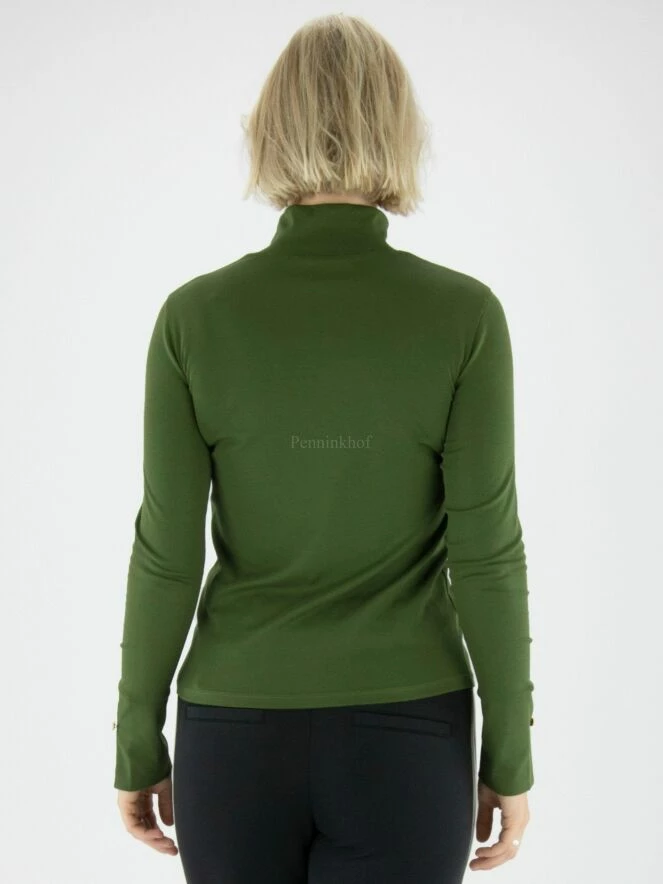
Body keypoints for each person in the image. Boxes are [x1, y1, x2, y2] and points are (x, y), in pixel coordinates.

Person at [114, 12, 534, 883]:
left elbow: (166, 553)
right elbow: (486, 554)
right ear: (400, 131)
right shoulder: (462, 316)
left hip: (233, 732)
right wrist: (510, 756)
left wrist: (135, 741)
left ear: (268, 130)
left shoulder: (195, 317)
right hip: (408, 732)